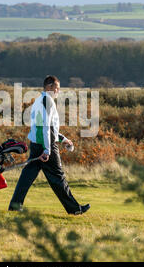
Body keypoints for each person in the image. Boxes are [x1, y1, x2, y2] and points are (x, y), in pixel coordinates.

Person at [8, 75, 90, 215]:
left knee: (26, 177)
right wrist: (47, 149)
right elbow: (46, 127)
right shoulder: (48, 101)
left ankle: (15, 206)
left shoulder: (41, 100)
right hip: (46, 145)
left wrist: (63, 139)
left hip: (37, 143)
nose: (58, 91)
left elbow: (48, 128)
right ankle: (74, 209)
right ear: (49, 87)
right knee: (58, 177)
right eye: (57, 88)